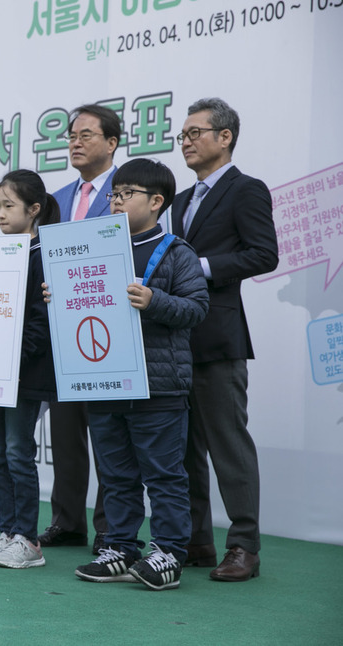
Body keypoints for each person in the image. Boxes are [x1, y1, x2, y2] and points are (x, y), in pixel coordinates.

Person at [63, 158, 208, 590]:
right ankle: (121, 546)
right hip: (103, 379)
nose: (116, 201)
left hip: (158, 385)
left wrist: (154, 300)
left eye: (126, 194)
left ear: (156, 201)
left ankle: (168, 552)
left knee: (163, 474)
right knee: (116, 475)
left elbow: (198, 309)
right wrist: (60, 292)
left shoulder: (176, 251)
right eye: (114, 194)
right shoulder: (94, 246)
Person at [173, 97, 278, 582]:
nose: (187, 141)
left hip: (219, 339)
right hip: (172, 340)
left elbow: (263, 254)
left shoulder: (246, 190)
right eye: (184, 135)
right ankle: (196, 541)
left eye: (197, 132)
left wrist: (203, 268)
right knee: (183, 448)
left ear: (225, 137)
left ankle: (244, 547)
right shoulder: (176, 201)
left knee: (228, 445)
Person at [0, 170, 59, 569]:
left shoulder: (43, 255)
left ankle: (29, 540)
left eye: (9, 206)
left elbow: (41, 322)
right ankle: (9, 532)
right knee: (0, 453)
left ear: (34, 209)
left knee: (20, 452)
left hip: (25, 373)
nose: (1, 214)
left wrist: (13, 360)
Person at [40, 103, 119, 554]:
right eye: (71, 135)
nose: (74, 141)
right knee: (66, 437)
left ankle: (111, 528)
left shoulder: (128, 193)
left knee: (108, 435)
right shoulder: (58, 200)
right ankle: (67, 521)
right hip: (60, 333)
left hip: (106, 332)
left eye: (85, 135)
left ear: (111, 143)